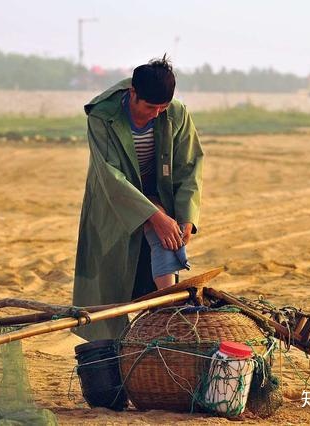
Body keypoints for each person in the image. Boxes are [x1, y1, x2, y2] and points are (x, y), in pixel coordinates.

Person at [72, 56, 204, 341]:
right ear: (133, 94)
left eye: (162, 108)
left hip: (159, 195)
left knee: (166, 242)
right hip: (114, 202)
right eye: (149, 107)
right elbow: (110, 176)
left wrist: (186, 218)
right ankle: (109, 351)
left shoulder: (177, 114)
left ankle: (168, 315)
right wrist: (154, 217)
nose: (156, 113)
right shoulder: (102, 115)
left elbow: (189, 167)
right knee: (108, 292)